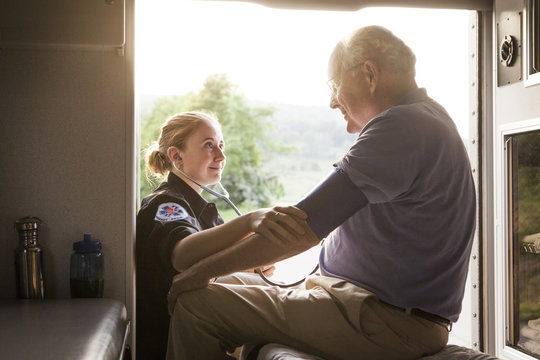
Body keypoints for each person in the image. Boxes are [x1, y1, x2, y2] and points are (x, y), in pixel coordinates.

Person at [166, 25, 476, 360]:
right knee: (221, 287)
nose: (332, 101)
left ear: (369, 74)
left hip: (381, 319)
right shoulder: (427, 120)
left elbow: (302, 228)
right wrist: (226, 268)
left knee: (197, 303)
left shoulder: (403, 126)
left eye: (335, 85)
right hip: (359, 305)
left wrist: (203, 270)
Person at [135, 111, 307, 360]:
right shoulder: (166, 203)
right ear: (176, 156)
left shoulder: (202, 209)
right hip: (169, 343)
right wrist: (248, 220)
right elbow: (182, 255)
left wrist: (252, 267)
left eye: (221, 145)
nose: (221, 156)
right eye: (209, 146)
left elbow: (214, 266)